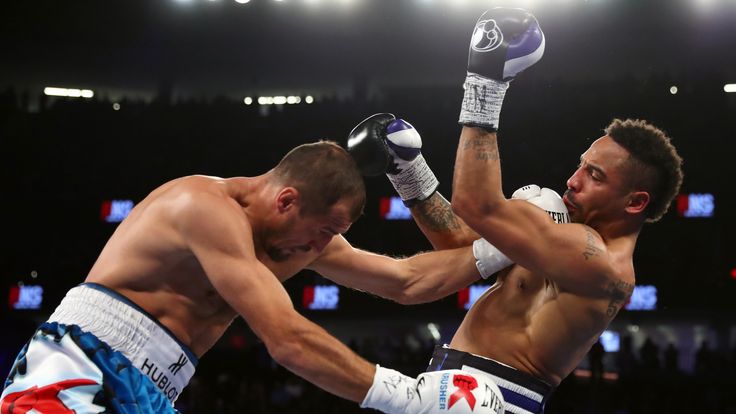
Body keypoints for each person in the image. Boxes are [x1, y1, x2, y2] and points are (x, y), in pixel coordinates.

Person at [0, 141, 507, 414]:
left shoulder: (300, 239)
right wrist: (412, 399)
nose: (318, 248)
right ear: (287, 200)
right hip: (78, 364)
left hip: (156, 386)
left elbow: (406, 281)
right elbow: (286, 339)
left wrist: (512, 247)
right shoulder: (204, 209)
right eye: (321, 231)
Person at [347, 7, 683, 414]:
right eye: (580, 165)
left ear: (635, 202)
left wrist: (486, 80)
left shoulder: (601, 266)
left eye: (594, 175)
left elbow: (476, 204)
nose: (573, 180)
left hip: (499, 398)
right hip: (455, 387)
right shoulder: (561, 229)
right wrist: (407, 171)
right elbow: (462, 243)